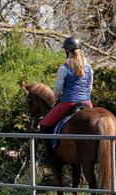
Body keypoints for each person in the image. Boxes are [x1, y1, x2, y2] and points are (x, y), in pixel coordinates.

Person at [39, 37, 94, 165]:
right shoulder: (89, 67)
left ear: (67, 50)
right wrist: (84, 97)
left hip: (68, 102)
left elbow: (58, 88)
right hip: (87, 102)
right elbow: (90, 86)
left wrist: (56, 98)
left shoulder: (64, 67)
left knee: (44, 125)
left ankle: (49, 157)